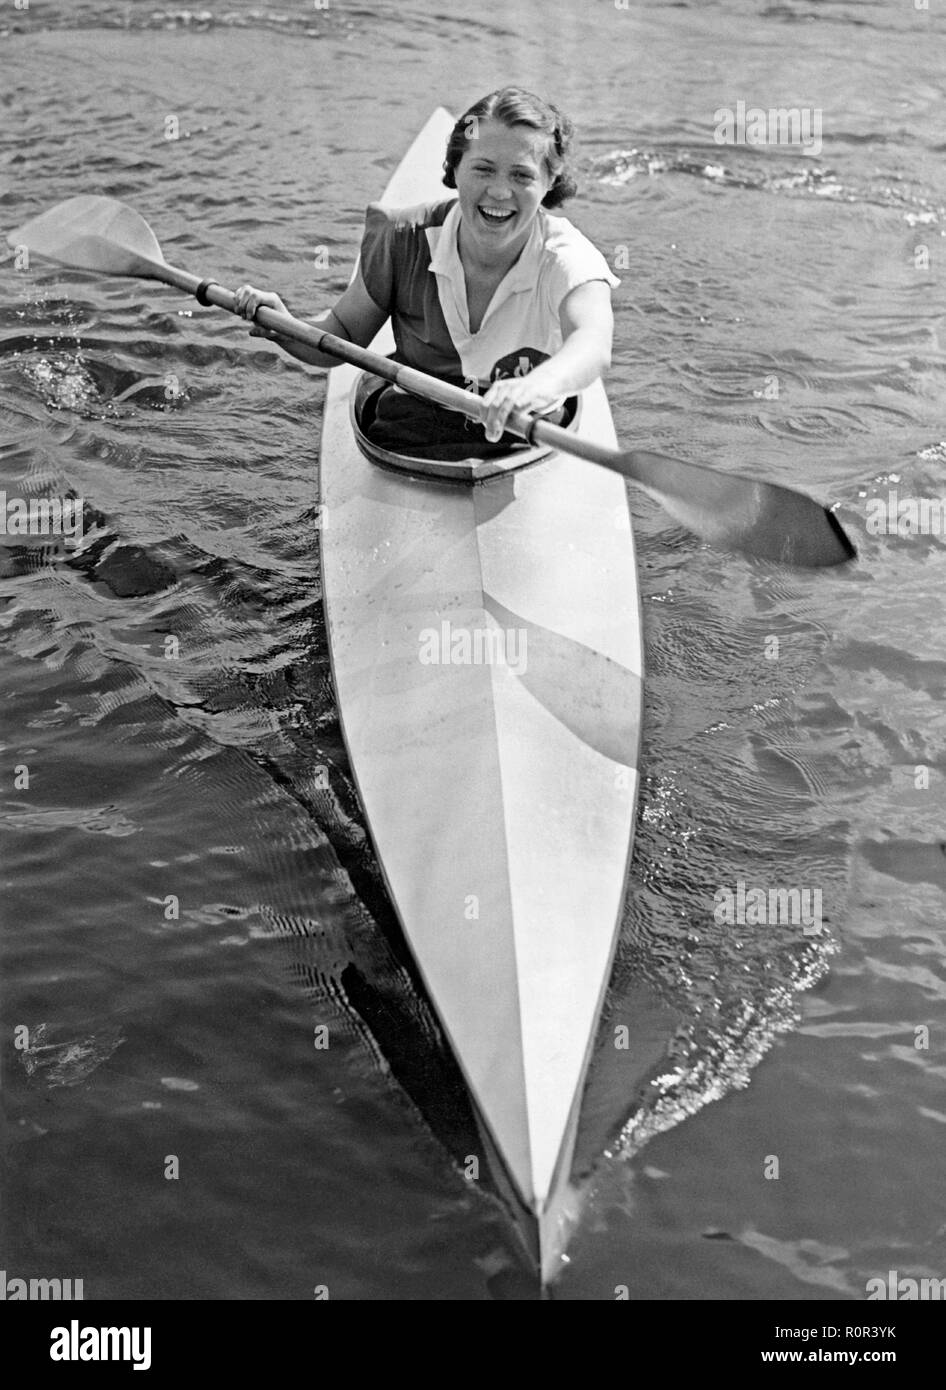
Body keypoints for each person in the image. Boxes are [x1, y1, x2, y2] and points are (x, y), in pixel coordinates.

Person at [233, 87, 619, 452]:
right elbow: (342, 335)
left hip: (527, 431)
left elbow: (592, 347)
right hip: (417, 425)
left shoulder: (568, 258)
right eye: (484, 169)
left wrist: (534, 386)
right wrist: (282, 325)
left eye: (521, 175)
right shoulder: (403, 238)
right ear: (455, 168)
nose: (500, 192)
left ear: (550, 181)